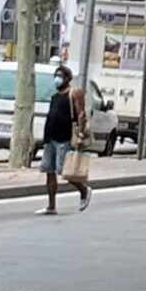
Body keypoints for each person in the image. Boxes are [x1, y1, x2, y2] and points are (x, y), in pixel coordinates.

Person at [37, 66, 91, 215]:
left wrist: (80, 134)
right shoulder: (55, 96)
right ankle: (51, 205)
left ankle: (84, 189)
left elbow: (81, 114)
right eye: (56, 75)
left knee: (64, 171)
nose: (57, 79)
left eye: (60, 76)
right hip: (50, 137)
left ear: (67, 78)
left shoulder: (74, 93)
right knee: (49, 170)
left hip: (64, 137)